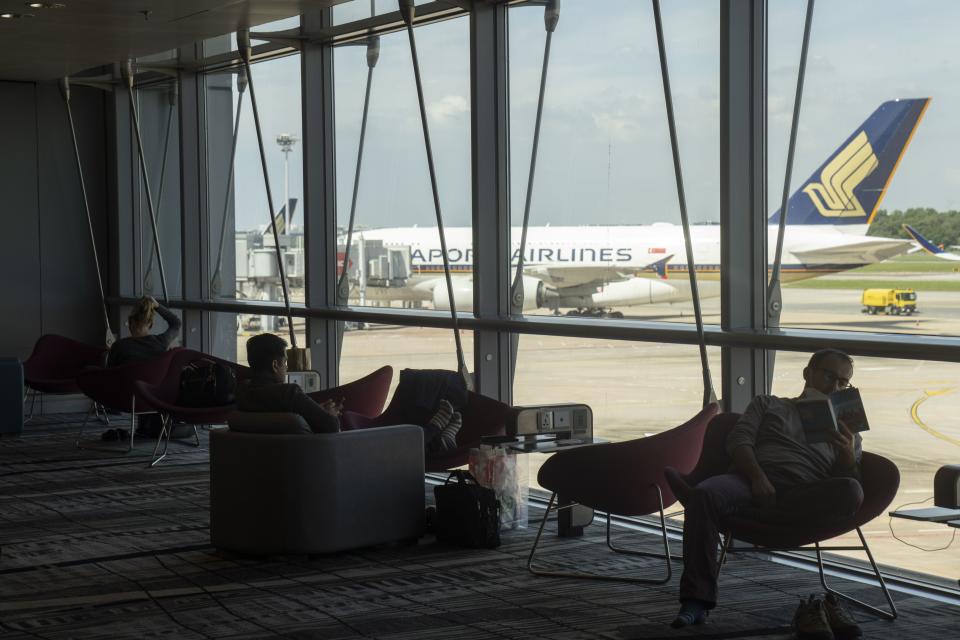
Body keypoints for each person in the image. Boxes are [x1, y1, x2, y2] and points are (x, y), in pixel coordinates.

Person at [665, 349, 865, 636]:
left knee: (851, 490)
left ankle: (757, 512)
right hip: (750, 480)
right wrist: (757, 477)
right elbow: (739, 441)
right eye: (829, 376)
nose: (834, 387)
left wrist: (846, 454)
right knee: (704, 494)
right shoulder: (770, 404)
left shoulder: (848, 429)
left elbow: (848, 482)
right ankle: (696, 601)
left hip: (802, 493)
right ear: (808, 373)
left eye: (843, 383)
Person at [236, 333, 341, 434]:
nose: (286, 367)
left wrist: (314, 409)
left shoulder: (242, 392)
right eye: (285, 362)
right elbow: (332, 426)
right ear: (275, 365)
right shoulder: (289, 393)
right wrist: (330, 414)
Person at [107, 296, 181, 367]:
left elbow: (109, 375)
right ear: (150, 324)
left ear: (130, 322)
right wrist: (157, 306)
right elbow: (176, 323)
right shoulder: (161, 343)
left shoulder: (118, 347)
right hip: (152, 380)